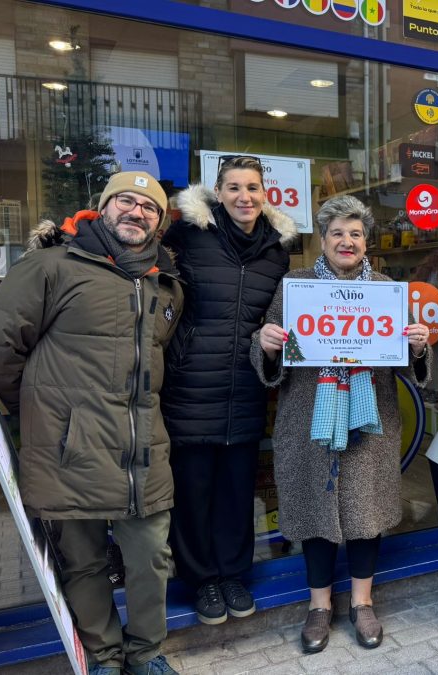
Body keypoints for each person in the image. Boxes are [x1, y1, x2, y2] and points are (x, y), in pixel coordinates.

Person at [0, 171, 184, 675]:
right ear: (103, 207)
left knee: (151, 559)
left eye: (149, 207)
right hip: (71, 451)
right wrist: (44, 417)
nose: (137, 212)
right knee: (84, 564)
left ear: (159, 223)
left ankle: (147, 654)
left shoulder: (167, 283)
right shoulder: (49, 267)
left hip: (143, 453)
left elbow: (158, 360)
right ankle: (106, 657)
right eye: (126, 202)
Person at [252, 196, 431, 654]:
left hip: (370, 420)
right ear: (323, 240)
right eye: (337, 233)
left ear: (366, 241)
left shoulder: (387, 289)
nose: (346, 241)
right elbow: (269, 348)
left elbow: (408, 364)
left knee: (364, 513)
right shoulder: (296, 285)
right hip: (311, 418)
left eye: (355, 234)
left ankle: (362, 602)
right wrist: (268, 343)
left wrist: (417, 345)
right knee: (317, 512)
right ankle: (318, 606)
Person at [160, 156, 294, 625]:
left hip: (246, 384)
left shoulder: (277, 250)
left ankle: (234, 575)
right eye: (234, 187)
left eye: (253, 187)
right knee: (193, 491)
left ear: (265, 193)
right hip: (190, 385)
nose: (244, 196)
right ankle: (202, 582)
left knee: (237, 491)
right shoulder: (186, 237)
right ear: (218, 192)